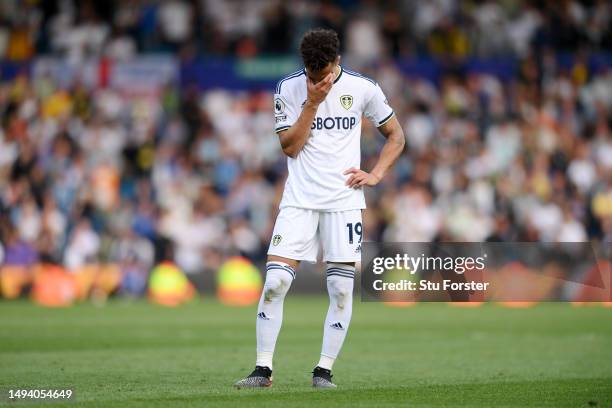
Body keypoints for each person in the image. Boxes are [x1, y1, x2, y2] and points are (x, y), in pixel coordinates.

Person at [235, 28, 405, 389]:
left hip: (343, 202)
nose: (319, 81)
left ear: (337, 62)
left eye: (324, 74)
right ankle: (262, 369)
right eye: (312, 75)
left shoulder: (363, 88)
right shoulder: (289, 88)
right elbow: (290, 148)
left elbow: (396, 136)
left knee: (342, 291)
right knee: (276, 282)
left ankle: (323, 371)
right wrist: (312, 103)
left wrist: (375, 174)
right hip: (299, 200)